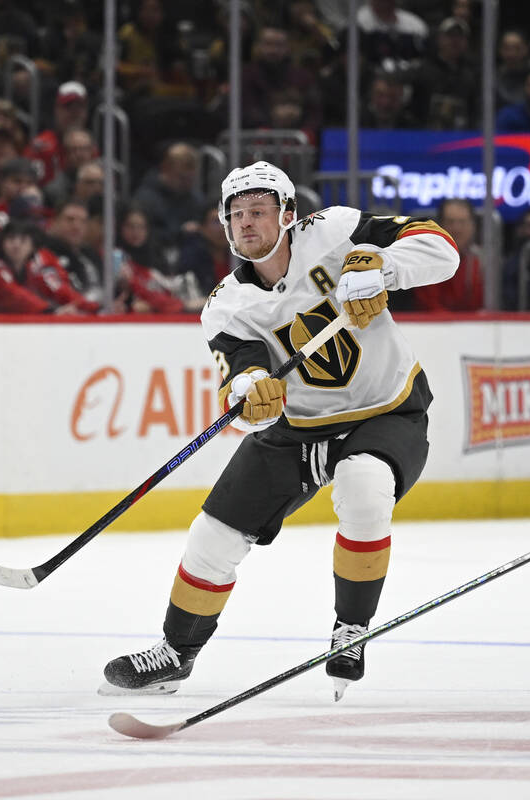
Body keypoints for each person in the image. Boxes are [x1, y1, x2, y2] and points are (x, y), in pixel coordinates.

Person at [100, 160, 459, 699]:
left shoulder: (336, 232)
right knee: (211, 537)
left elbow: (442, 250)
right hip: (299, 430)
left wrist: (379, 267)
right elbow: (243, 377)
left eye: (259, 211)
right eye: (236, 214)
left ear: (288, 215)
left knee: (364, 487)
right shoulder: (227, 306)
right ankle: (176, 654)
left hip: (385, 411)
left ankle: (351, 631)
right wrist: (249, 391)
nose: (246, 223)